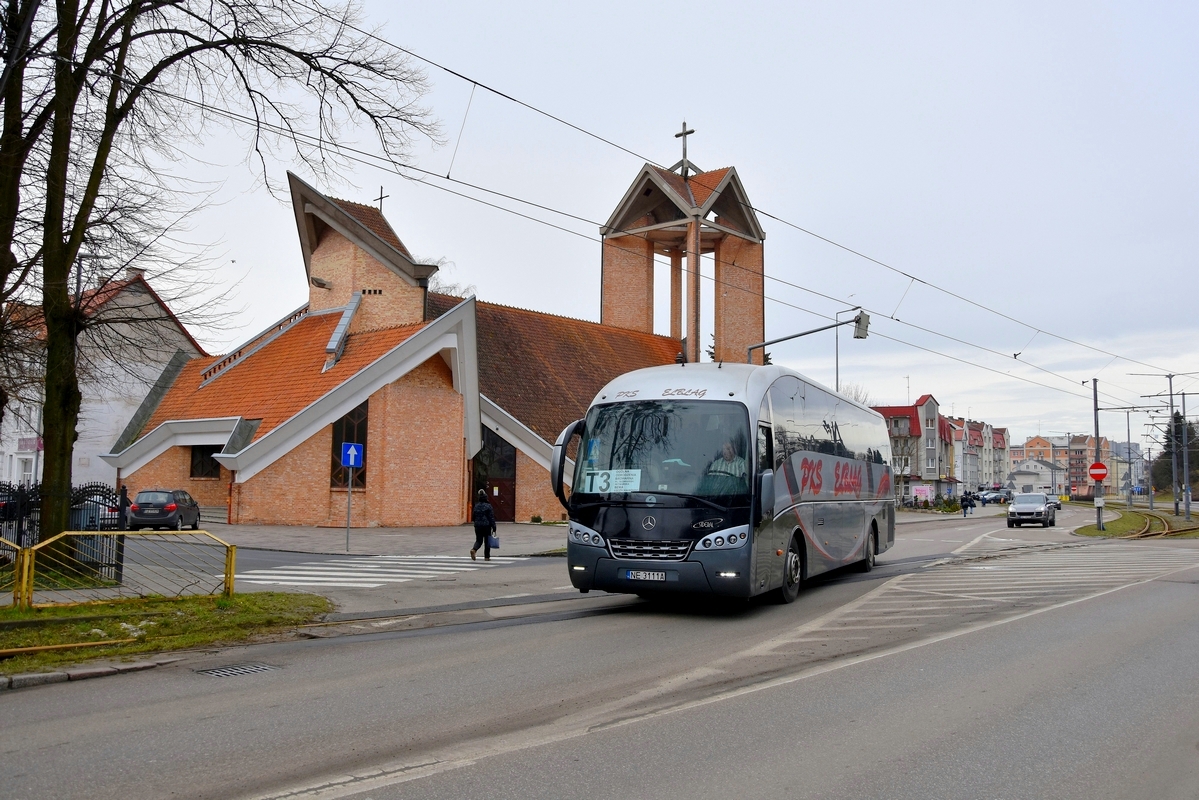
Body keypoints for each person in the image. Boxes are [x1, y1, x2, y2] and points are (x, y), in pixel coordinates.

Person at [471, 488, 496, 561]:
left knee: (479, 540)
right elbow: (491, 517)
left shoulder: (476, 506)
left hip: (477, 526)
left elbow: (474, 516)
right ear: (486, 498)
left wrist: (476, 522)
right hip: (486, 526)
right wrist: (494, 527)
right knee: (487, 541)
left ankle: (474, 549)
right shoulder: (488, 506)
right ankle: (487, 557)